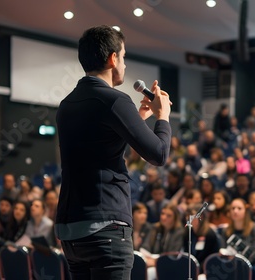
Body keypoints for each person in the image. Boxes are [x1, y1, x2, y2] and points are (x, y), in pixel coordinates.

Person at [55, 25, 172, 279]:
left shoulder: (67, 104)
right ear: (113, 58)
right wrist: (162, 117)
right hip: (105, 227)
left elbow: (103, 149)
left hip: (71, 229)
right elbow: (158, 154)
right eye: (125, 56)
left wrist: (138, 119)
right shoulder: (114, 100)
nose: (125, 65)